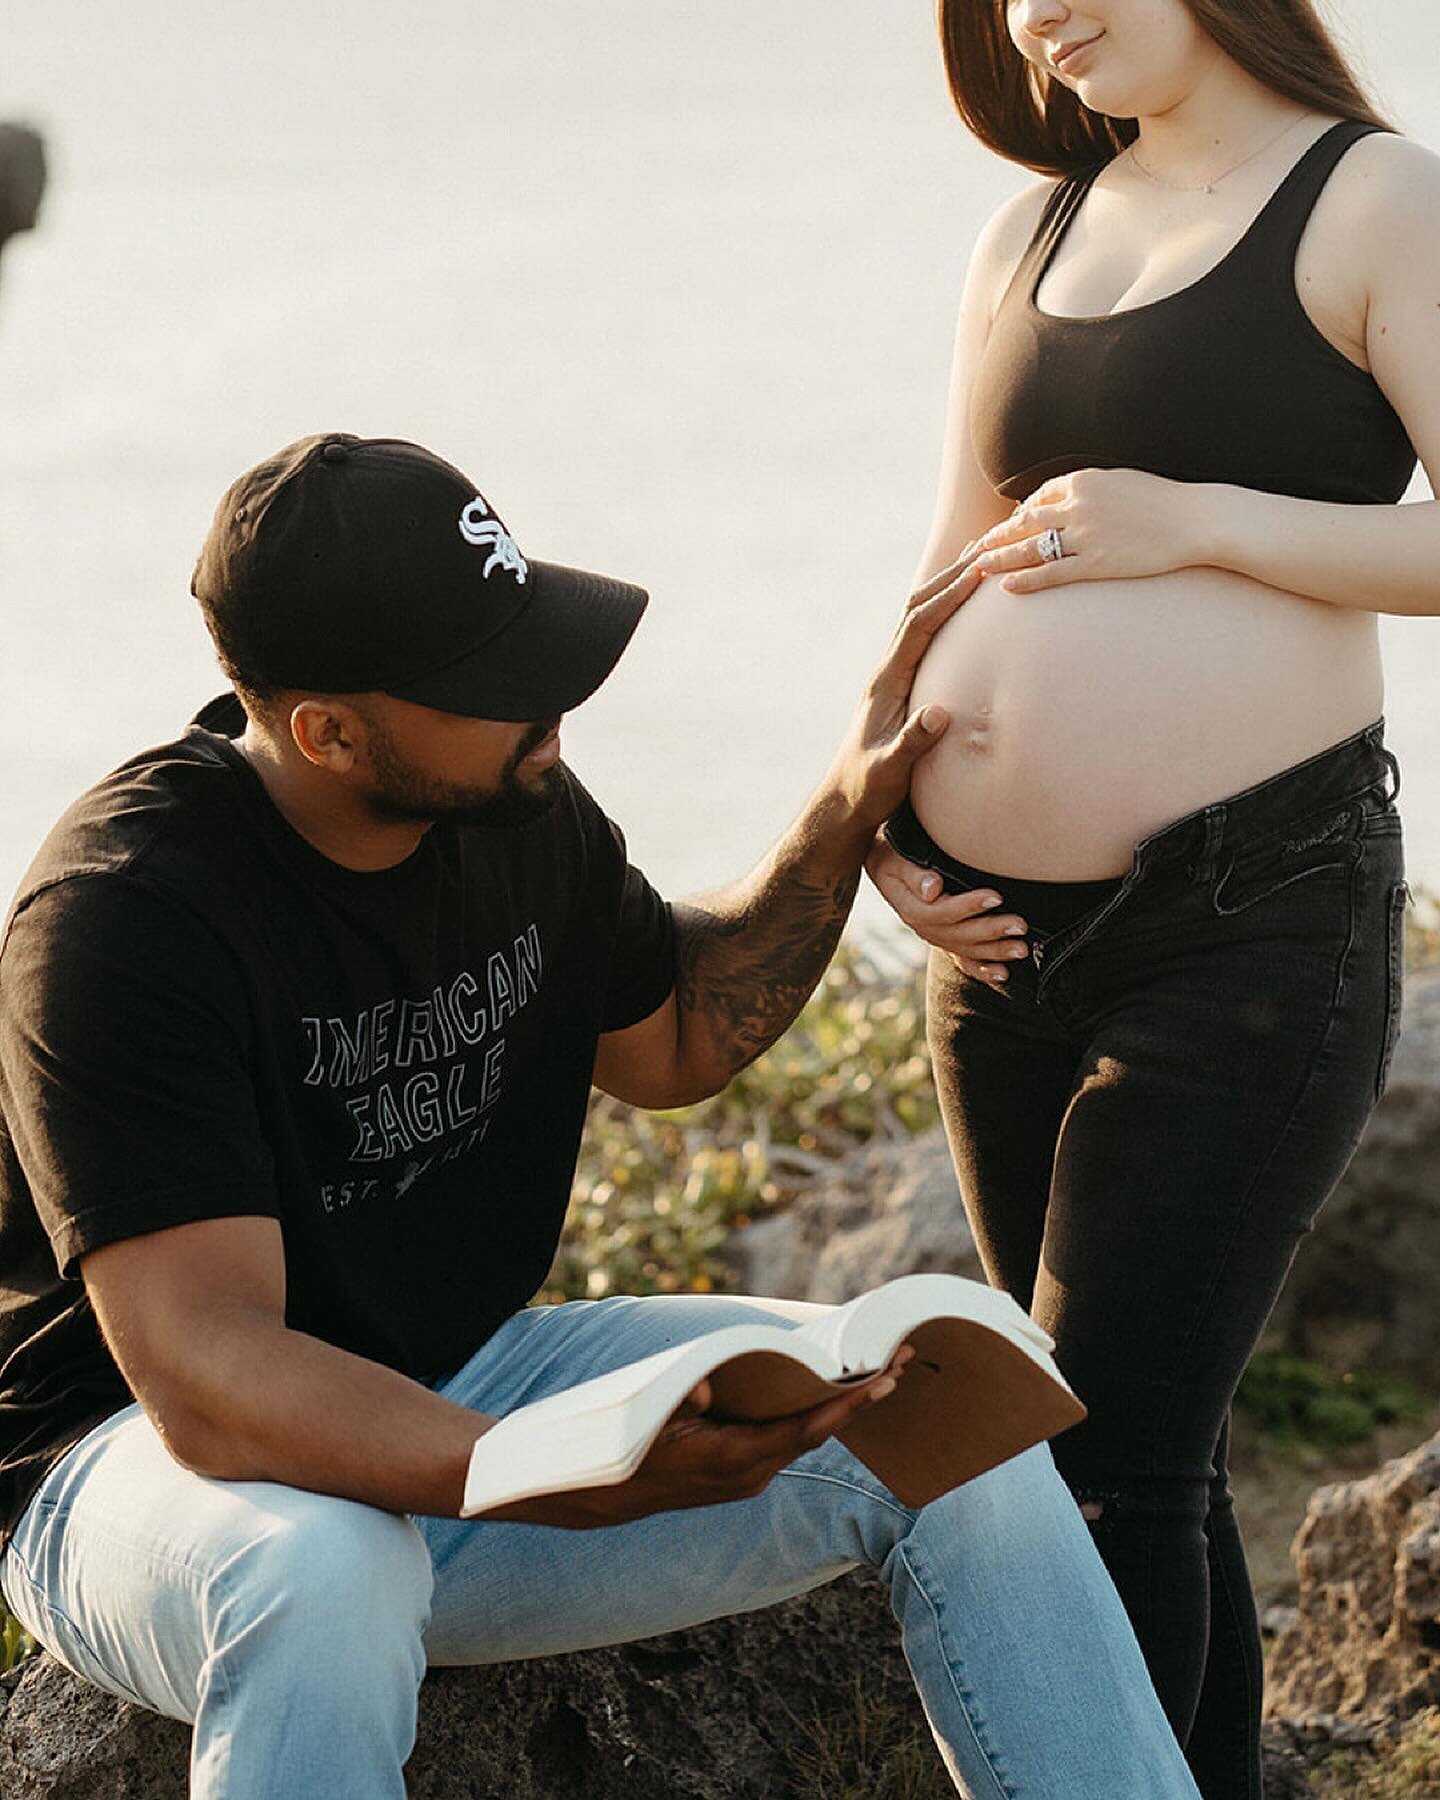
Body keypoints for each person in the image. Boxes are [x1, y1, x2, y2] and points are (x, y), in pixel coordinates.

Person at [0, 433, 1201, 1799]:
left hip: (466, 1388)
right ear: (327, 731)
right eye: (489, 677)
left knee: (946, 1440)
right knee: (325, 1572)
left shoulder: (515, 810)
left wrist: (843, 813)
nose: (552, 692)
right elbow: (209, 1375)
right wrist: (536, 1471)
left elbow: (677, 1036)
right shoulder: (123, 919)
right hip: (137, 1472)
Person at [865, 3, 1440, 1795]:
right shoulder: (1028, 225)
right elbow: (951, 546)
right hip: (994, 945)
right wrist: (866, 805)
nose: (1041, 13)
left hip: (1248, 918)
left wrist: (1197, 517)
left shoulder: (1372, 202)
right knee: (1122, 1455)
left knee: (1095, 1462)